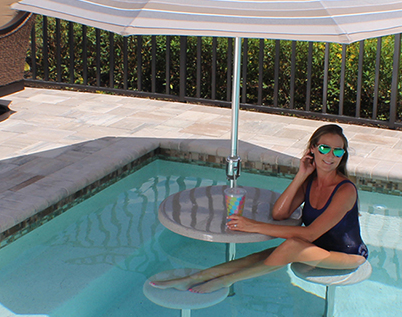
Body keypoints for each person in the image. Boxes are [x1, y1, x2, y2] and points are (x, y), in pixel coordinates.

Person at [152, 124, 368, 293]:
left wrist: (252, 226)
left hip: (346, 256)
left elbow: (310, 233)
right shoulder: (310, 182)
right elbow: (279, 213)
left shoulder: (345, 191)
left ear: (343, 155)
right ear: (312, 149)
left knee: (291, 245)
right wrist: (301, 174)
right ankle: (193, 277)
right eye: (324, 148)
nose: (330, 156)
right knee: (261, 255)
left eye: (337, 151)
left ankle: (227, 280)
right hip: (313, 247)